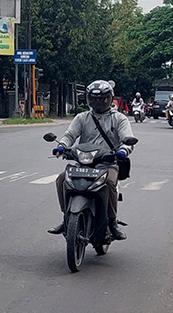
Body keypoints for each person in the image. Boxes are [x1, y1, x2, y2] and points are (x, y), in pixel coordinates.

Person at [48, 79, 133, 241]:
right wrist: (62, 146)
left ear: (109, 98)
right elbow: (70, 135)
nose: (97, 102)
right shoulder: (82, 117)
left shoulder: (119, 119)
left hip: (107, 163)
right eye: (94, 99)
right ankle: (66, 218)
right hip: (82, 162)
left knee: (109, 183)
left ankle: (112, 222)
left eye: (102, 99)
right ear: (88, 99)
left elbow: (127, 139)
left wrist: (123, 150)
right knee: (61, 179)